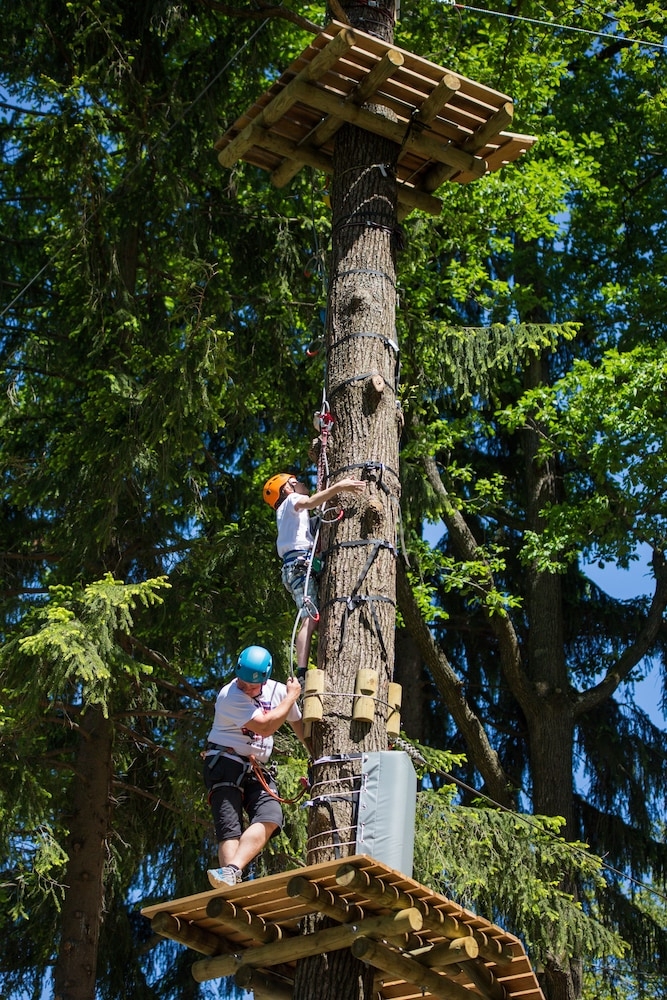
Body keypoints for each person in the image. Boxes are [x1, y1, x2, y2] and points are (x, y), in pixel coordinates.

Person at [203, 645, 307, 888]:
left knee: (271, 816)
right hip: (225, 760)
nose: (246, 689)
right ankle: (231, 884)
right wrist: (291, 696)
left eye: (252, 686)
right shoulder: (230, 695)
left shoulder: (278, 691)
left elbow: (298, 725)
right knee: (230, 828)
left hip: (256, 767)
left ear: (265, 680)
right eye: (243, 683)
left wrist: (314, 754)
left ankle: (231, 872)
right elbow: (265, 726)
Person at [262, 472, 367, 677]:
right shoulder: (292, 500)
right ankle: (301, 671)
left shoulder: (286, 514)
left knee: (312, 617)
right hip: (299, 566)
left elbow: (307, 528)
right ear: (287, 489)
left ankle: (305, 665)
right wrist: (340, 486)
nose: (302, 483)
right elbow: (310, 502)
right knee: (309, 619)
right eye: (296, 482)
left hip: (294, 567)